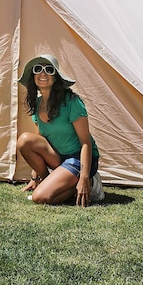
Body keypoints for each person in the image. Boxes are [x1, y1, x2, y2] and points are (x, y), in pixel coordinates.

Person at [17, 54, 104, 207]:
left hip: (79, 158)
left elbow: (86, 143)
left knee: (39, 198)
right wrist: (34, 176)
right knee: (24, 140)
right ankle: (50, 182)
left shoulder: (72, 102)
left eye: (49, 70)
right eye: (38, 69)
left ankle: (89, 182)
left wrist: (84, 176)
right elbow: (40, 140)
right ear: (33, 77)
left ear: (56, 77)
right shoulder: (38, 104)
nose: (42, 73)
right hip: (59, 157)